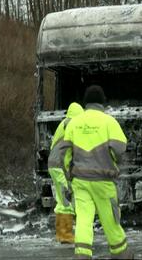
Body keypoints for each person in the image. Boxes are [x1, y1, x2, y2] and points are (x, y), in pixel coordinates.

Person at [51, 85, 132, 259]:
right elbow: (120, 149)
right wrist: (114, 163)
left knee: (84, 220)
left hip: (80, 181)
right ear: (102, 102)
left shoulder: (74, 123)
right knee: (110, 218)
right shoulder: (109, 122)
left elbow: (63, 155)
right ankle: (121, 253)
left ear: (85, 103)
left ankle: (82, 254)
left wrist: (68, 177)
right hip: (104, 180)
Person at [47, 102, 84, 244]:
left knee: (62, 199)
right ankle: (65, 235)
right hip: (60, 167)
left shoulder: (63, 123)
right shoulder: (71, 123)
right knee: (67, 198)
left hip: (54, 164)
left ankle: (64, 234)